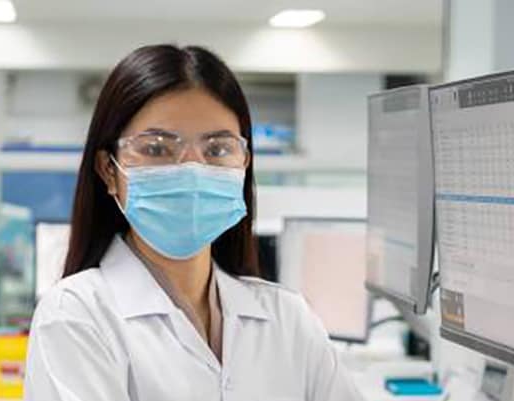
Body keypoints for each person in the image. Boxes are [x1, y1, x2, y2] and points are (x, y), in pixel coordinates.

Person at [24, 45, 363, 401]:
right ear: (109, 170)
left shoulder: (287, 317)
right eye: (157, 148)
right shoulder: (76, 315)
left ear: (244, 164)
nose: (192, 170)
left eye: (217, 149)